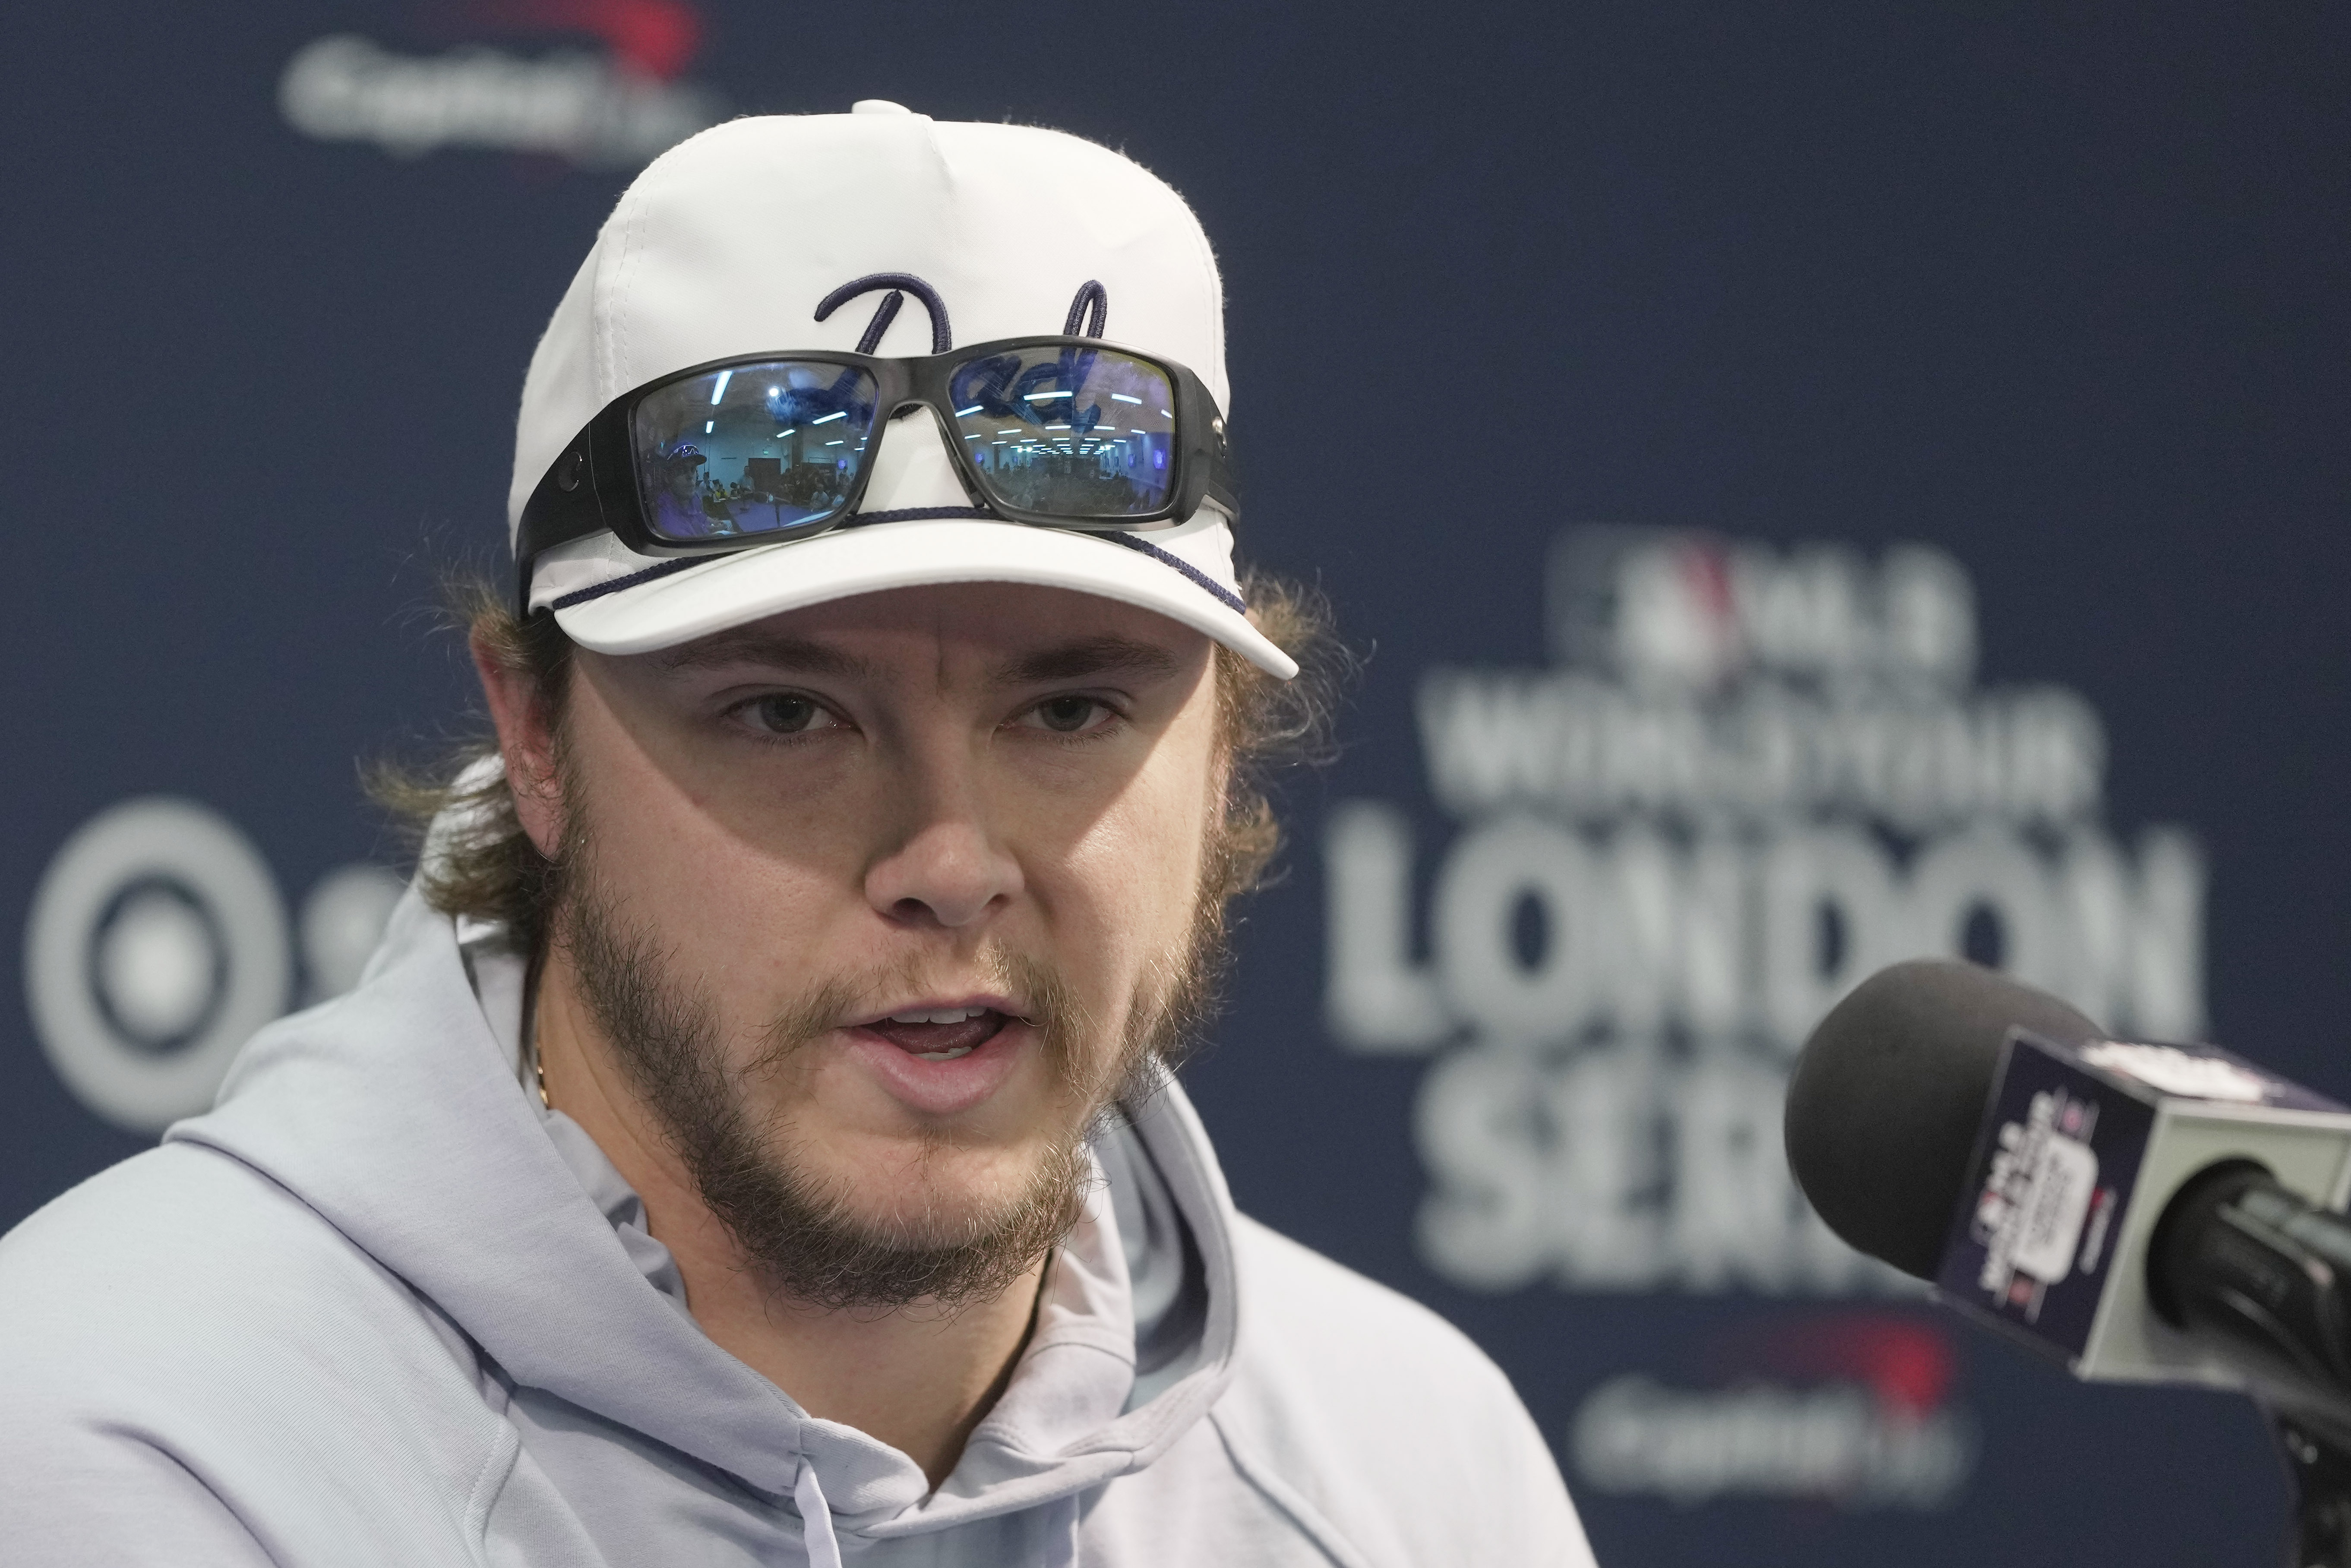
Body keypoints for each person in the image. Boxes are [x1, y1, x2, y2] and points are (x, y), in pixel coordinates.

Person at [0, 103, 1594, 1565]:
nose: (952, 857)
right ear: (535, 737)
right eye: (786, 715)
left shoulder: (1414, 1476)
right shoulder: (136, 1451)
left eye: (1071, 713)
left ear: (1223, 751)